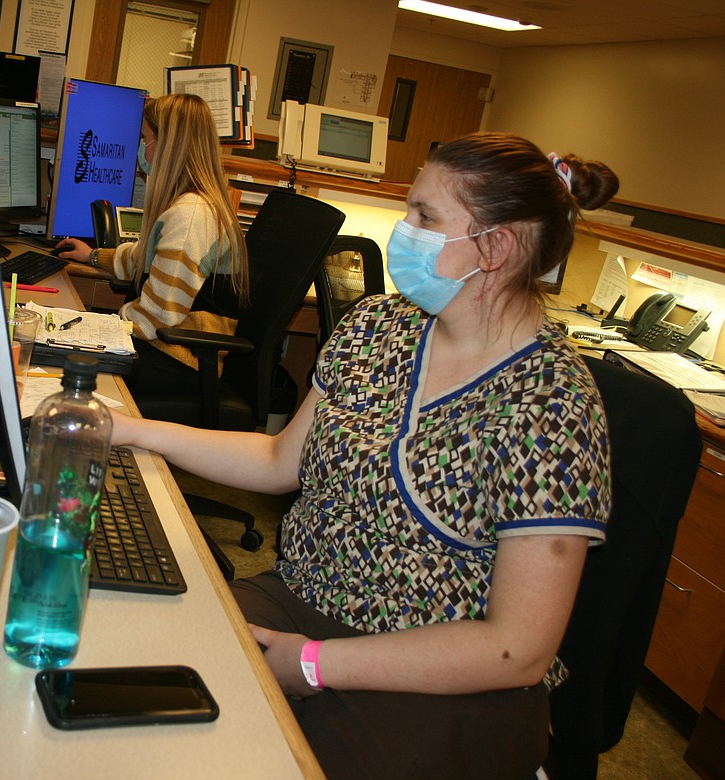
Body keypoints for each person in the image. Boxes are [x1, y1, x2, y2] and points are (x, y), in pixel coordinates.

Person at [110, 132, 621, 778]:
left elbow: (517, 647)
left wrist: (316, 663)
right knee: (141, 687)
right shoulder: (378, 327)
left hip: (445, 671)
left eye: (425, 218)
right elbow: (277, 460)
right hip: (303, 599)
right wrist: (133, 430)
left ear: (496, 247)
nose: (403, 232)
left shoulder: (553, 402)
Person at [55, 92, 248, 396]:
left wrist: (94, 326)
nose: (142, 147)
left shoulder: (192, 215)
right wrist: (93, 256)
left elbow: (157, 317)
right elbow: (148, 259)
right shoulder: (190, 205)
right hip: (168, 351)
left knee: (61, 364)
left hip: (178, 363)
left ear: (168, 144)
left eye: (145, 137)